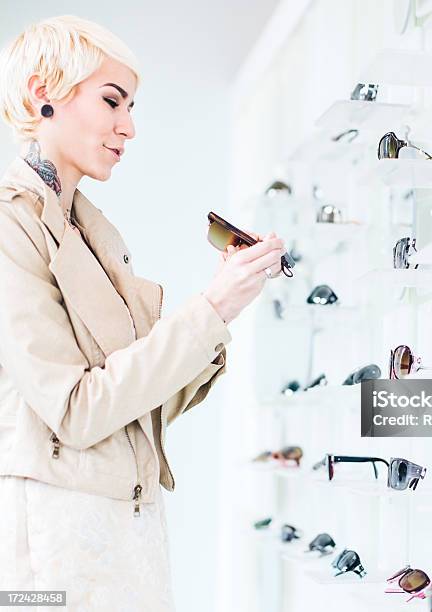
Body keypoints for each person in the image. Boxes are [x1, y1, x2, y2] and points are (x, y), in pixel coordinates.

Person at [0, 15, 284, 610]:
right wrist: (210, 309)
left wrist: (222, 307)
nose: (128, 127)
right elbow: (76, 411)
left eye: (132, 107)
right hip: (54, 554)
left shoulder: (94, 233)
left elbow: (138, 407)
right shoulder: (11, 222)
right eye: (112, 101)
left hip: (123, 539)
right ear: (41, 93)